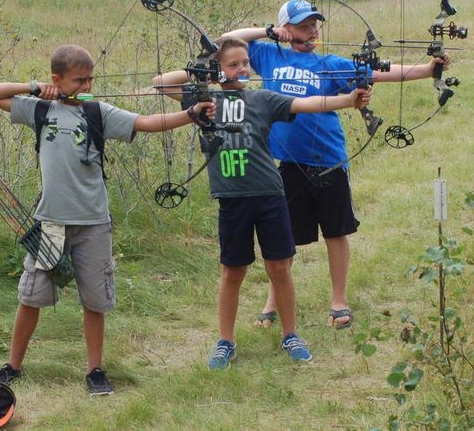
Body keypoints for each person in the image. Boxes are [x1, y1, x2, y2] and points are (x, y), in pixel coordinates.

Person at [0, 44, 215, 395]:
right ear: (56, 80)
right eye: (79, 79)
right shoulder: (40, 109)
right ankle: (13, 366)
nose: (87, 84)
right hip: (51, 223)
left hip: (93, 223)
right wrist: (32, 88)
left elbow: (148, 123)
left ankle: (95, 370)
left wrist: (192, 114)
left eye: (91, 78)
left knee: (95, 299)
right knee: (31, 296)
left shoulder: (97, 112)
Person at [222, 0, 452, 330]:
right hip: (288, 163)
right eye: (303, 26)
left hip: (328, 159)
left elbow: (379, 72)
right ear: (286, 29)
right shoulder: (268, 55)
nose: (312, 31)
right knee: (282, 239)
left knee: (336, 231)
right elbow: (228, 41)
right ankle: (272, 300)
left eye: (315, 25)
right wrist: (270, 32)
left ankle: (339, 300)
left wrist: (430, 69)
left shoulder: (329, 63)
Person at [152, 37, 372, 369]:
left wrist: (347, 99)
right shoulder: (203, 100)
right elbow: (159, 83)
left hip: (269, 195)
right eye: (233, 64)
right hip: (232, 199)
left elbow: (309, 104)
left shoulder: (263, 98)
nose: (242, 69)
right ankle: (225, 341)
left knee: (279, 267)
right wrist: (202, 75)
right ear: (217, 69)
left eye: (245, 63)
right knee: (232, 271)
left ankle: (290, 334)